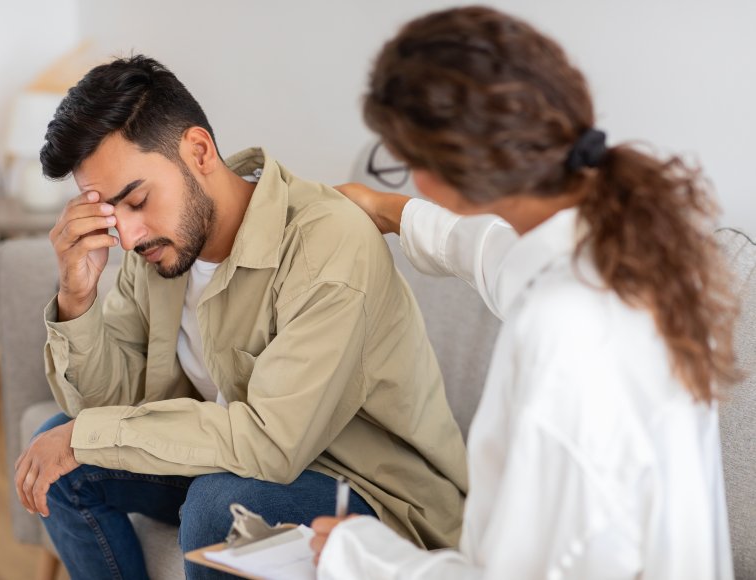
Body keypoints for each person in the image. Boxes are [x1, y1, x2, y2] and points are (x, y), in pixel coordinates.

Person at [311, 6, 738, 579]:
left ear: (438, 170)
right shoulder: (631, 253)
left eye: (404, 158)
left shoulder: (565, 330)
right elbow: (495, 255)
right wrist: (389, 210)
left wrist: (356, 554)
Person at [12, 55, 469, 580]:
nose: (130, 238)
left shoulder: (327, 244)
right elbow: (107, 408)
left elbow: (271, 444)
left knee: (218, 504)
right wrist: (77, 296)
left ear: (199, 150)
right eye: (113, 216)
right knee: (61, 461)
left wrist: (86, 435)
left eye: (137, 200)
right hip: (236, 463)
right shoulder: (159, 252)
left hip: (371, 494)